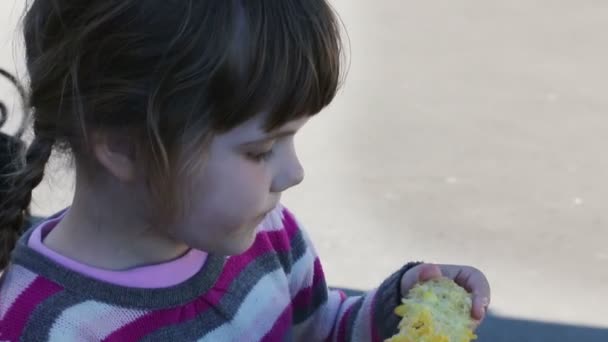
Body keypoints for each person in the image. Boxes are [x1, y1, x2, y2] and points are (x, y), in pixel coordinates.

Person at [0, 0, 490, 340]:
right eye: (260, 150)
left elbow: (317, 330)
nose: (293, 172)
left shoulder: (269, 238)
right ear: (124, 147)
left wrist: (401, 312)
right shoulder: (46, 326)